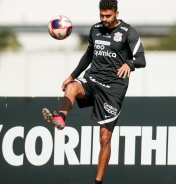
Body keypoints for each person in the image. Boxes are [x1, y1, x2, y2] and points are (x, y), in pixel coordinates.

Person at [41, 0, 146, 183]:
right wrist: (72, 75)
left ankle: (98, 181)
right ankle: (60, 117)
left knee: (104, 138)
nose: (104, 19)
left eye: (108, 15)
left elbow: (141, 59)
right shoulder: (95, 29)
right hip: (93, 79)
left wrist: (129, 63)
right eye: (102, 15)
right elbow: (89, 54)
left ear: (116, 13)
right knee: (72, 87)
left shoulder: (129, 32)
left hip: (113, 88)